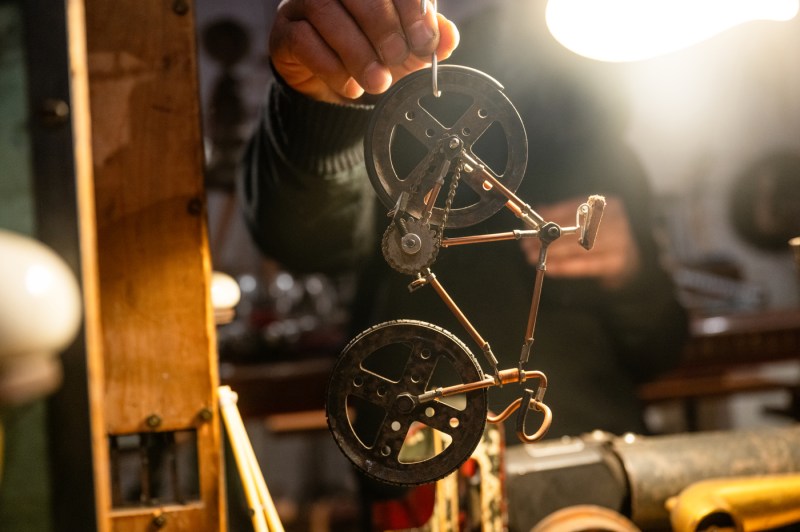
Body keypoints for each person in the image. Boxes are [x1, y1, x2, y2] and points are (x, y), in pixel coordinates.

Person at [240, 0, 689, 441]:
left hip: (592, 460)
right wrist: (319, 106)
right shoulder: (408, 104)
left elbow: (662, 347)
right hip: (424, 463)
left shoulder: (605, 154)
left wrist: (632, 273)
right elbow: (305, 236)